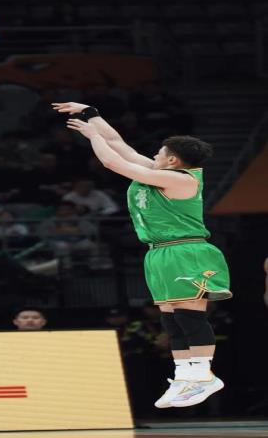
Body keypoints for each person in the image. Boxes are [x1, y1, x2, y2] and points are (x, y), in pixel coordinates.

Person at [53, 101, 231, 409]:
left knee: (189, 316)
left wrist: (91, 136)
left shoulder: (182, 179)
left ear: (172, 159)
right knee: (171, 319)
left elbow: (113, 162)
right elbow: (117, 143)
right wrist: (92, 114)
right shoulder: (158, 171)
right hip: (159, 252)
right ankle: (185, 376)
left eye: (159, 152)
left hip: (185, 250)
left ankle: (204, 375)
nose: (154, 156)